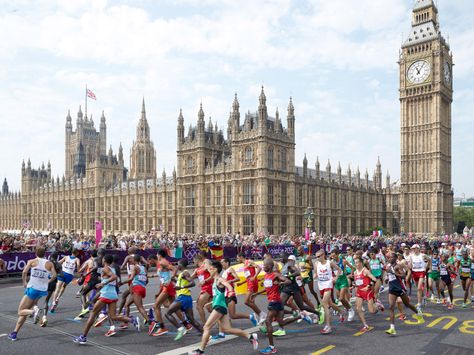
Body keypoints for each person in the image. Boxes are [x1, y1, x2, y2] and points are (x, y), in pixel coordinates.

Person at [188, 261, 258, 355]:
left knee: (206, 327)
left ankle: (201, 351)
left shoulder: (220, 279)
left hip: (219, 307)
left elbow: (229, 286)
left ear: (215, 270)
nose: (209, 270)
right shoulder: (214, 281)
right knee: (227, 329)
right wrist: (210, 303)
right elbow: (219, 295)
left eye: (211, 269)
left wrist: (230, 291)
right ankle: (250, 336)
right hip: (220, 306)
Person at [73, 254, 139, 345]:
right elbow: (115, 281)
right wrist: (102, 285)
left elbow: (114, 278)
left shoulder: (106, 269)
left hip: (106, 295)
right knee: (113, 316)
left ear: (104, 260)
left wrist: (103, 284)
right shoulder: (112, 269)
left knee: (93, 314)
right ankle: (132, 320)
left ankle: (83, 337)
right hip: (113, 295)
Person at [253, 259, 305, 354]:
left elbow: (288, 281)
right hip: (275, 301)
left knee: (268, 321)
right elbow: (268, 288)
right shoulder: (266, 275)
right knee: (281, 322)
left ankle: (271, 348)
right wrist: (257, 293)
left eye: (265, 265)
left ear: (270, 266)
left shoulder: (275, 275)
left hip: (275, 301)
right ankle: (301, 316)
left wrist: (280, 283)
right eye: (263, 265)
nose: (263, 267)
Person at [8, 247, 57, 341]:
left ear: (36, 253)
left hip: (33, 288)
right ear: (45, 254)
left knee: (20, 311)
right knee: (24, 311)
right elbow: (54, 276)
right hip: (42, 290)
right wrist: (47, 282)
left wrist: (24, 283)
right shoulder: (49, 263)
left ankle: (34, 311)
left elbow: (24, 272)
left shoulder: (32, 261)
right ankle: (14, 333)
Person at [385, 252, 423, 336]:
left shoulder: (397, 266)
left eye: (391, 257)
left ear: (395, 258)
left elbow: (403, 276)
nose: (390, 259)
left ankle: (418, 313)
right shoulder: (389, 266)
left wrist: (393, 273)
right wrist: (387, 279)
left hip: (400, 288)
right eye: (389, 257)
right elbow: (390, 276)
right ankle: (392, 328)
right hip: (392, 289)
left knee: (407, 304)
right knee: (391, 307)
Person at [165, 259, 202, 341]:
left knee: (167, 313)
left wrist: (181, 287)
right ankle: (206, 334)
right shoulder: (182, 274)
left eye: (178, 264)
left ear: (181, 265)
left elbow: (192, 283)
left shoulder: (185, 273)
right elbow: (180, 284)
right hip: (187, 298)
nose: (177, 266)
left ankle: (180, 329)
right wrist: (173, 280)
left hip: (183, 297)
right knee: (191, 320)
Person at [313, 249, 344, 334]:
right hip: (321, 285)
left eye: (319, 256)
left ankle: (328, 326)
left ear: (323, 255)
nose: (317, 258)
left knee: (324, 304)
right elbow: (315, 273)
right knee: (330, 304)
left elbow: (339, 270)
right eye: (316, 257)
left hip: (328, 284)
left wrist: (336, 278)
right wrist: (314, 276)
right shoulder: (316, 264)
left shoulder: (329, 263)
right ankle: (341, 312)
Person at [148, 248, 177, 336]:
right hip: (166, 286)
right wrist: (152, 276)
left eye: (157, 254)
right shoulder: (161, 263)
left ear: (159, 255)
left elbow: (174, 269)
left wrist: (170, 279)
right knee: (172, 305)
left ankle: (162, 327)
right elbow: (163, 274)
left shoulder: (162, 262)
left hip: (167, 286)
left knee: (156, 306)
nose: (156, 256)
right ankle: (186, 322)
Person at [120, 254, 151, 330]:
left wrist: (122, 282)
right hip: (141, 288)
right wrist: (142, 285)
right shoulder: (143, 268)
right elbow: (146, 280)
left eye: (132, 260)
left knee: (140, 307)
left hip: (137, 288)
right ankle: (126, 322)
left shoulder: (135, 267)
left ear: (135, 260)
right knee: (127, 305)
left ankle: (150, 322)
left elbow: (130, 279)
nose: (131, 261)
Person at [353, 256, 382, 333]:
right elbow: (358, 282)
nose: (356, 264)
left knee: (372, 311)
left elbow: (374, 279)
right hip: (360, 292)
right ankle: (365, 325)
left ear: (361, 263)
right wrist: (353, 286)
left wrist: (368, 286)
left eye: (357, 262)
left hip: (367, 292)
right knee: (358, 308)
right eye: (355, 263)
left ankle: (378, 306)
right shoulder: (355, 272)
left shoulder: (365, 271)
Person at [236, 253, 265, 324]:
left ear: (241, 257)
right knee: (251, 302)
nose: (237, 260)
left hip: (252, 284)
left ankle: (262, 314)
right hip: (250, 283)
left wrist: (255, 277)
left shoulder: (249, 262)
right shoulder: (244, 265)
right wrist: (241, 283)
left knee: (246, 301)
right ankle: (262, 318)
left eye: (237, 258)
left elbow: (259, 268)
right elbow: (248, 277)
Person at [50, 248, 81, 312]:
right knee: (64, 286)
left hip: (62, 273)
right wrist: (78, 272)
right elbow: (78, 265)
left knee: (57, 288)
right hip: (69, 275)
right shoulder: (77, 259)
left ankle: (54, 302)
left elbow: (59, 262)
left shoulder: (66, 257)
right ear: (77, 253)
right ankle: (58, 298)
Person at [191, 253, 214, 326]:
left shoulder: (205, 266)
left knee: (199, 306)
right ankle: (223, 319)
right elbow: (190, 278)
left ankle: (205, 325)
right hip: (204, 288)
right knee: (210, 308)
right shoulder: (197, 269)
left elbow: (213, 273)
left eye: (194, 261)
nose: (193, 263)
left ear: (197, 260)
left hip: (208, 287)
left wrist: (205, 280)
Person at [41, 251, 61, 327]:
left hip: (44, 282)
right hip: (52, 283)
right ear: (57, 257)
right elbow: (61, 274)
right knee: (47, 300)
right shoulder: (58, 264)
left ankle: (33, 311)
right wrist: (55, 274)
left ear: (50, 256)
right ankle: (44, 316)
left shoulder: (47, 263)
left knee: (35, 297)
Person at [407, 244, 430, 311]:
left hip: (421, 272)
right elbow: (411, 264)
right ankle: (424, 297)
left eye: (414, 248)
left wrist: (427, 268)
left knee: (419, 288)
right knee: (419, 288)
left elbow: (429, 260)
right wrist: (409, 267)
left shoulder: (423, 255)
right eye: (413, 249)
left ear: (418, 249)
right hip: (415, 272)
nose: (413, 250)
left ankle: (419, 304)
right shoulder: (411, 256)